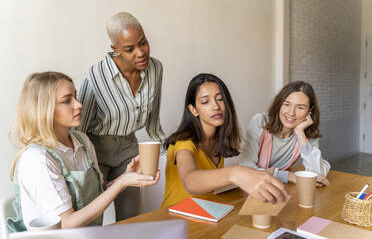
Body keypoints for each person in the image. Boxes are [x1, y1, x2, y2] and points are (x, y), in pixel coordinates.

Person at [7, 72, 159, 232]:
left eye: (75, 96)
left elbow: (98, 192)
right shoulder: (36, 158)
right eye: (67, 100)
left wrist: (125, 176)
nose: (79, 104)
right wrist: (121, 183)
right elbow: (65, 224)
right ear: (44, 109)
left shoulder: (81, 140)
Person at [77, 12, 166, 221]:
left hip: (130, 148)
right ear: (115, 49)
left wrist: (168, 151)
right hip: (96, 151)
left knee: (130, 217)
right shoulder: (95, 76)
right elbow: (79, 129)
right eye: (129, 49)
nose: (141, 53)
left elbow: (153, 121)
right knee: (91, 218)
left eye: (143, 43)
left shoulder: (156, 68)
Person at [161, 73, 289, 208]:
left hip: (207, 214)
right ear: (193, 110)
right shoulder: (184, 142)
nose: (216, 106)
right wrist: (234, 173)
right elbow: (190, 181)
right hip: (175, 218)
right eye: (205, 102)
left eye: (220, 99)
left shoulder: (219, 141)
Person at [239, 81, 330, 186]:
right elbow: (245, 167)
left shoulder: (306, 133)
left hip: (277, 189)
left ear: (310, 111)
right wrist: (289, 176)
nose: (291, 113)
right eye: (287, 104)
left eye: (300, 107)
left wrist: (300, 133)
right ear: (279, 104)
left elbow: (317, 175)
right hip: (250, 188)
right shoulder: (260, 122)